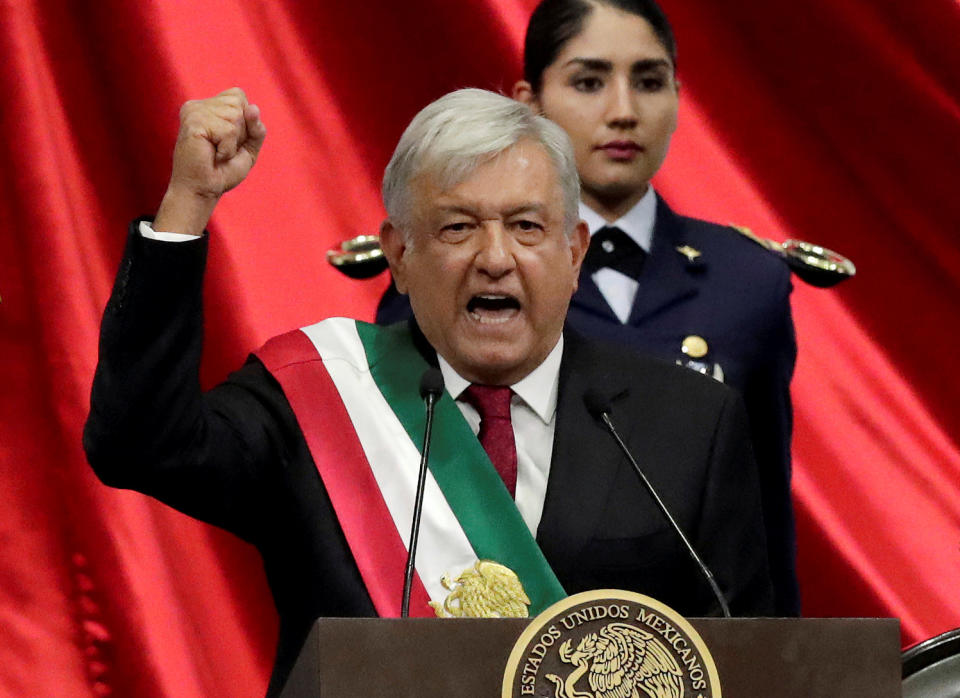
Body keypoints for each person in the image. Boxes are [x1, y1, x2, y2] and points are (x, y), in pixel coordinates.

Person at [84, 87, 773, 697]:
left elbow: (751, 662)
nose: (495, 257)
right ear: (399, 255)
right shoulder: (317, 399)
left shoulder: (689, 423)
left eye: (527, 226)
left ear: (574, 253)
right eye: (457, 226)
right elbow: (139, 444)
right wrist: (187, 206)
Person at [376, 0, 800, 617]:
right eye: (589, 81)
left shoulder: (748, 280)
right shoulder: (459, 268)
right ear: (529, 101)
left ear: (680, 99)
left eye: (650, 82)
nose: (623, 111)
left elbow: (760, 520)